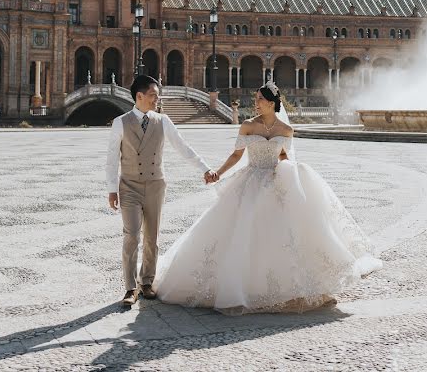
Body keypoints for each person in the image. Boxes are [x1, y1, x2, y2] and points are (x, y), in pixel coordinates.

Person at [155, 80, 382, 314]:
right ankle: (241, 286)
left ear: (272, 103)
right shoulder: (247, 126)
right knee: (241, 231)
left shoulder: (286, 130)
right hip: (250, 181)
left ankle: (293, 287)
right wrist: (218, 173)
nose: (255, 104)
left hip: (275, 183)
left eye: (260, 100)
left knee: (283, 235)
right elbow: (236, 155)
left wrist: (289, 173)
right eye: (255, 100)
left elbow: (284, 155)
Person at [106, 75, 214, 307]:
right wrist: (112, 189)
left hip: (156, 185)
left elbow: (183, 148)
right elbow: (111, 160)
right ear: (139, 96)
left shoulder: (163, 121)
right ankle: (130, 287)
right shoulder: (120, 122)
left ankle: (147, 281)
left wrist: (205, 168)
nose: (157, 99)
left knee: (152, 237)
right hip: (129, 185)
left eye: (157, 95)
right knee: (131, 235)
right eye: (153, 95)